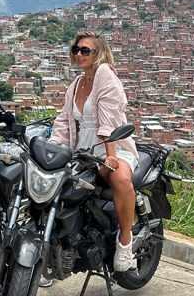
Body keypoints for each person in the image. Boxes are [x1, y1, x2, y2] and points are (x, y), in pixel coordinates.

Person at [49, 31, 139, 274]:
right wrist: (53, 150)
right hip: (83, 153)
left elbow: (109, 118)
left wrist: (110, 154)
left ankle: (125, 241)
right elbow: (64, 123)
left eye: (85, 50)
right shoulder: (76, 84)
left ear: (98, 54)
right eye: (76, 50)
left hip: (114, 145)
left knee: (120, 177)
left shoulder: (105, 76)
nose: (79, 54)